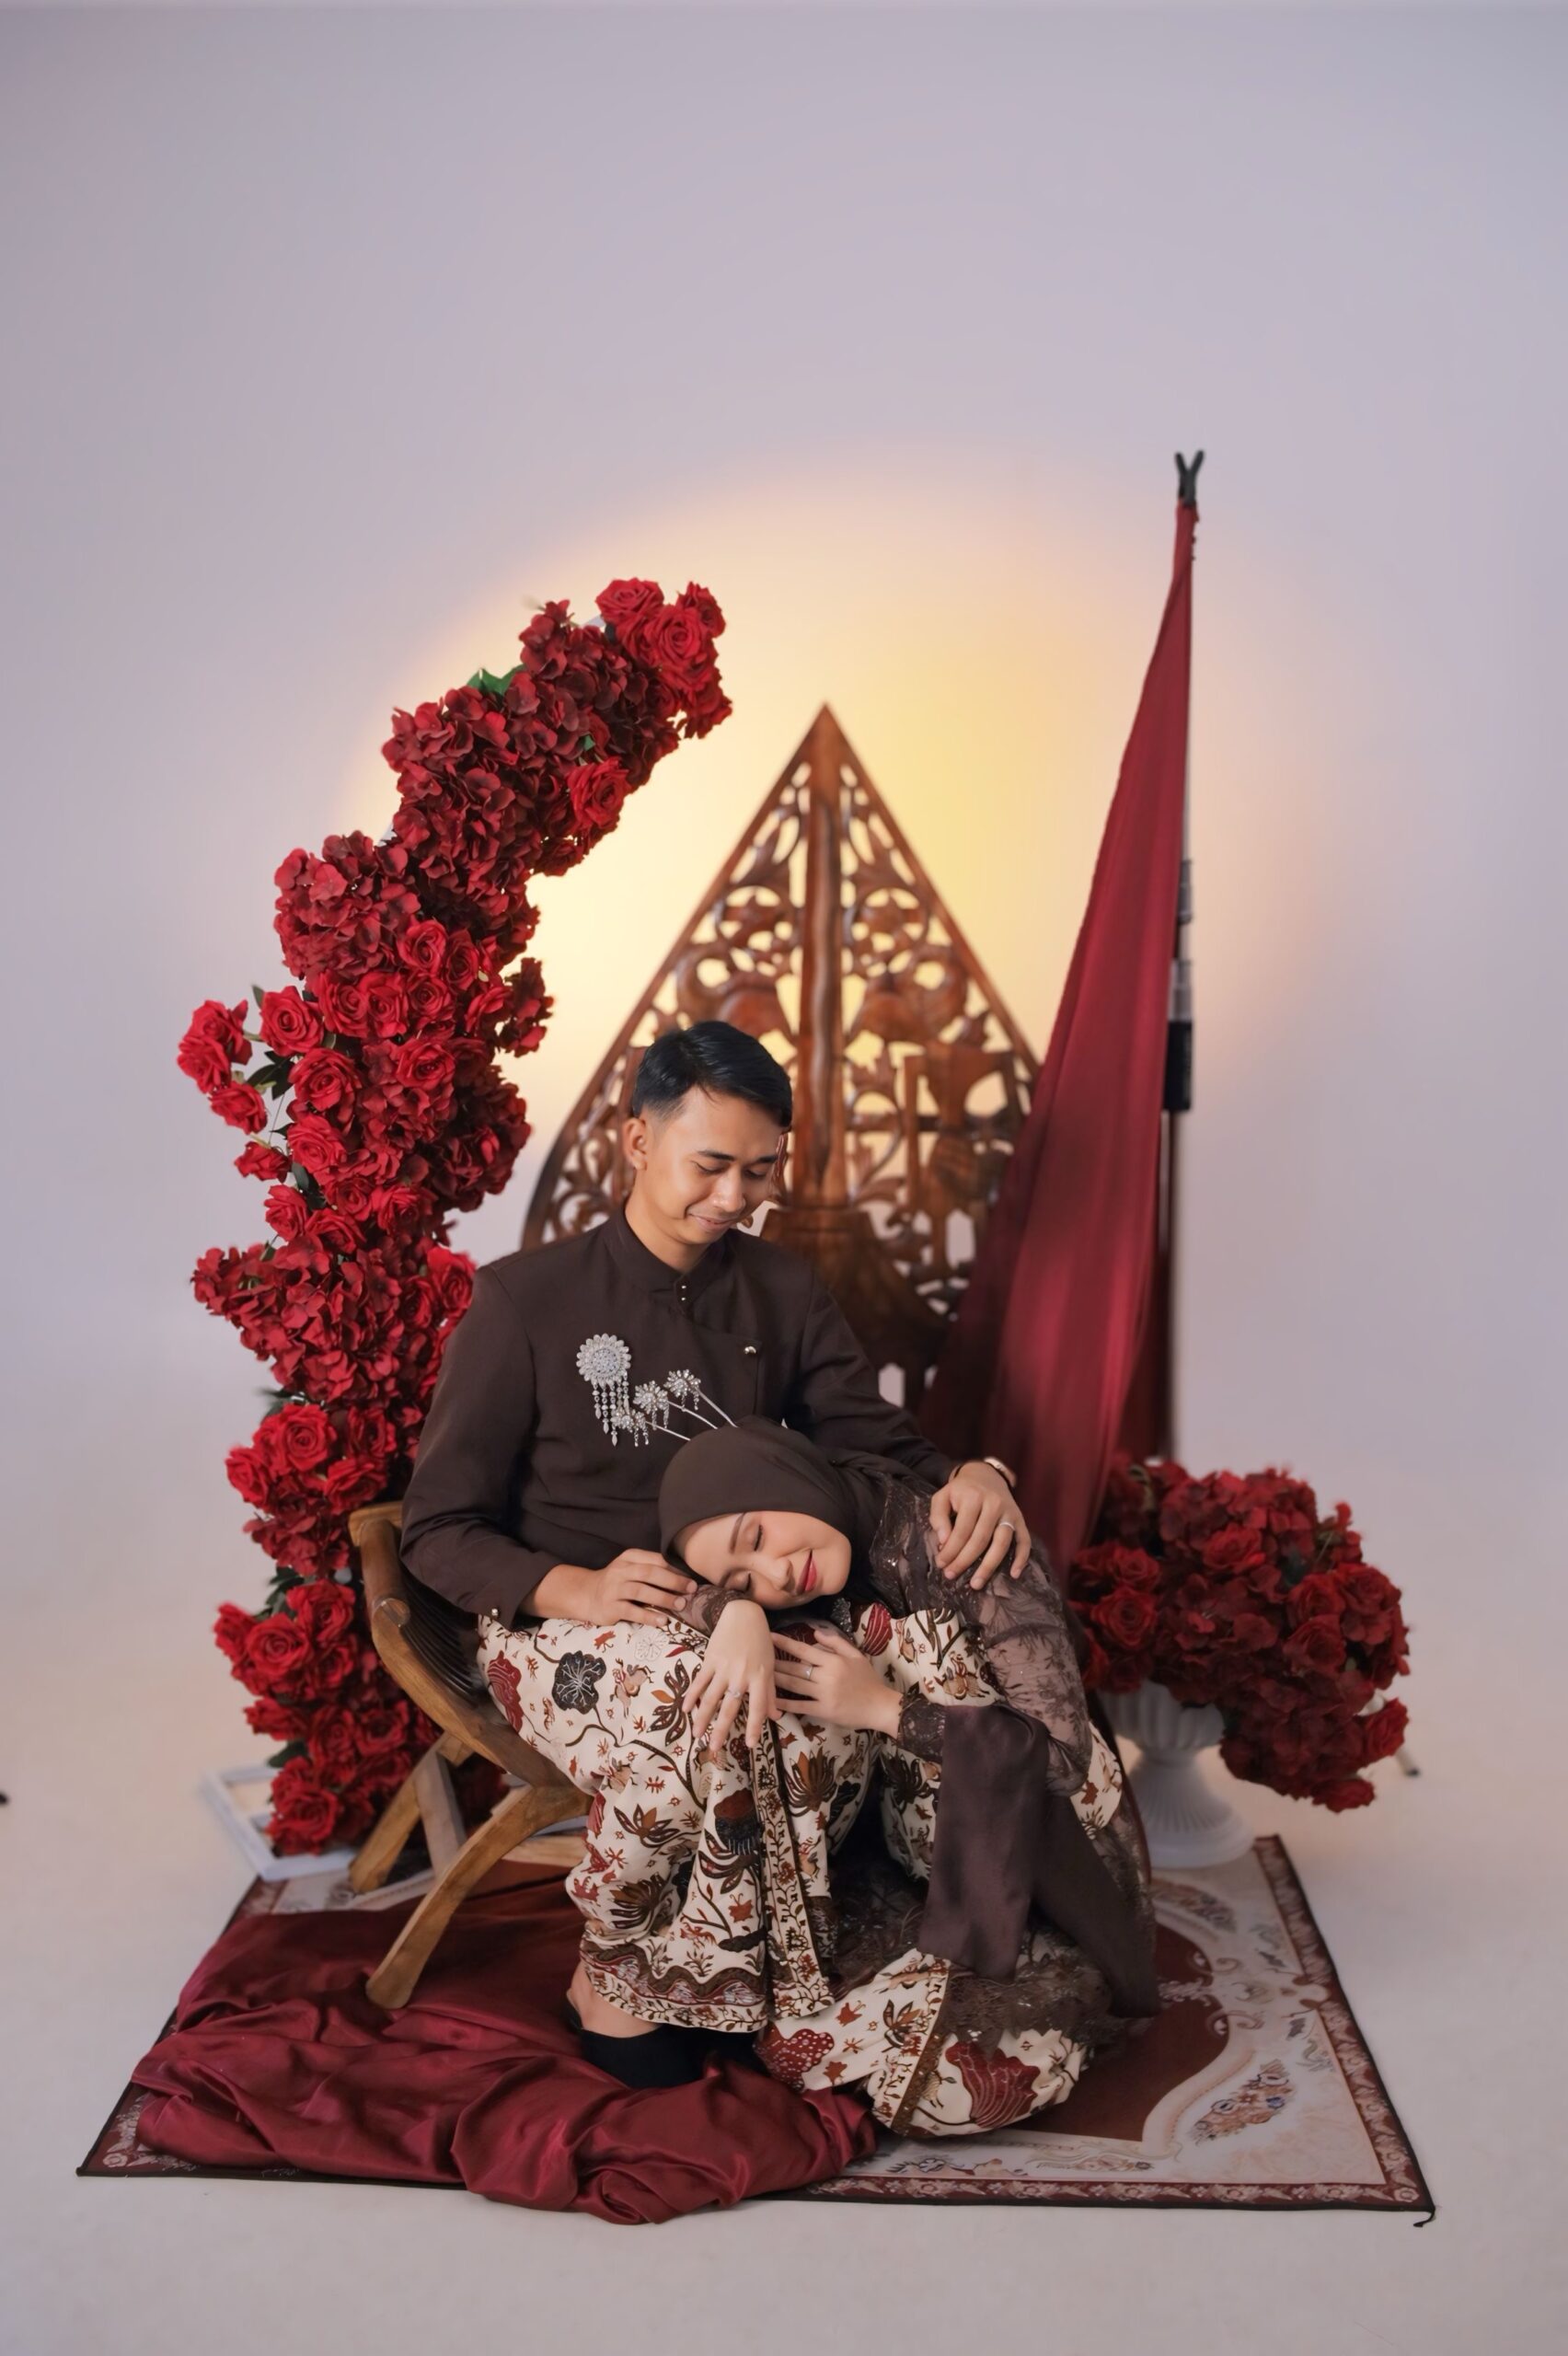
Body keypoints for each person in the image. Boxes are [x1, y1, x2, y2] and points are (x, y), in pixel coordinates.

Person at [400, 1019, 1034, 2070]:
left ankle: (742, 1975)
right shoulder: (522, 1302)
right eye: (710, 1164)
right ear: (636, 1140)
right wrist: (571, 1587)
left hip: (749, 1596)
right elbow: (436, 1528)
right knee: (688, 1713)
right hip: (566, 1621)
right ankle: (614, 1972)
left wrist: (978, 1473)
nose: (735, 1196)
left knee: (815, 1692)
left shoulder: (781, 1291)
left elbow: (870, 1440)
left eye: (760, 1170)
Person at [475, 1415, 1159, 2127]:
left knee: (966, 2092)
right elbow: (688, 1588)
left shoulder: (965, 1547)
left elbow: (1060, 1764)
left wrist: (883, 1709)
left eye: (758, 1536)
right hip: (904, 1860)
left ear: (787, 1473)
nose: (776, 1572)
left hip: (1039, 1856)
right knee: (858, 2061)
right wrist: (736, 1611)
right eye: (745, 1576)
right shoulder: (816, 1545)